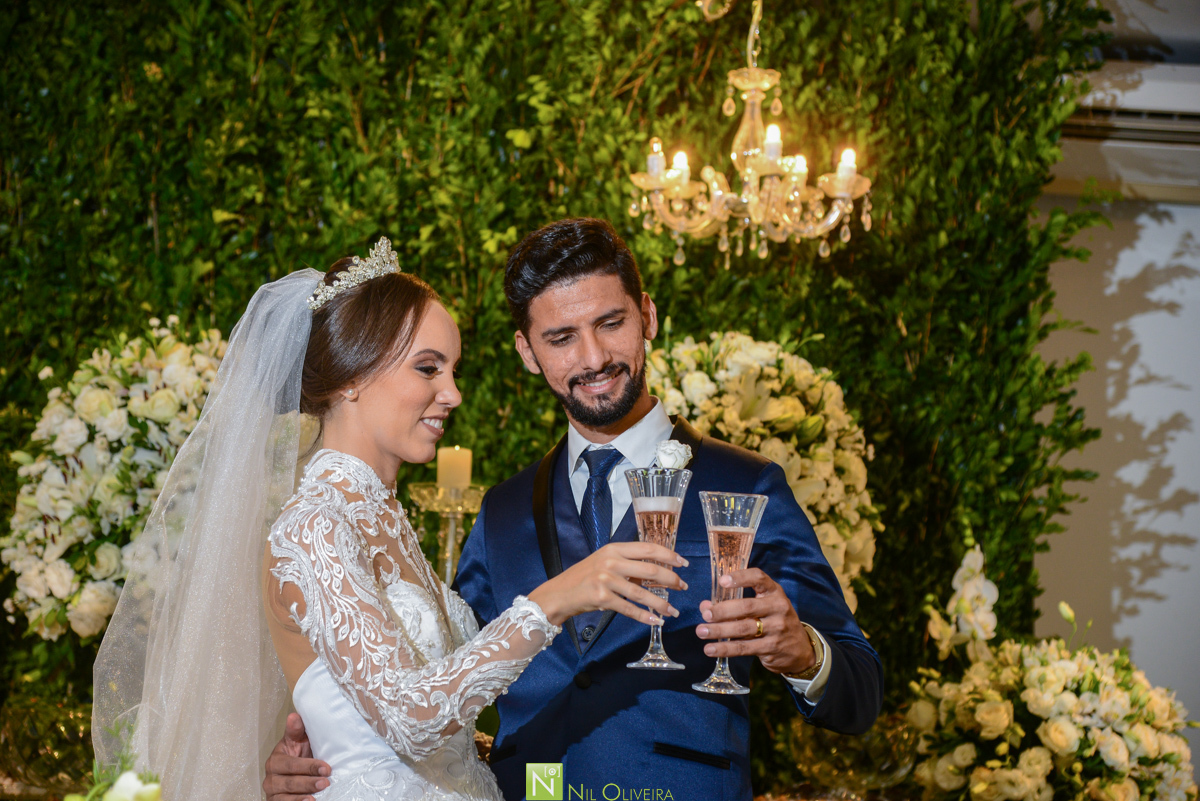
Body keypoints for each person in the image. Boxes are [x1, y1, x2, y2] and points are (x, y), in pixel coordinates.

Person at [266, 219, 884, 801]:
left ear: (647, 317)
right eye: (561, 338)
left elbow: (860, 691)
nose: (592, 358)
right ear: (528, 352)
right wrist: (327, 753)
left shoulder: (748, 485)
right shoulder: (502, 511)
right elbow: (441, 683)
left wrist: (805, 652)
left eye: (610, 323)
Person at [93, 239, 687, 800]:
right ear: (353, 376)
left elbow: (440, 720)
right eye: (428, 369)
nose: (452, 394)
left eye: (453, 370)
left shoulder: (387, 520)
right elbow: (411, 719)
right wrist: (557, 597)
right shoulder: (312, 527)